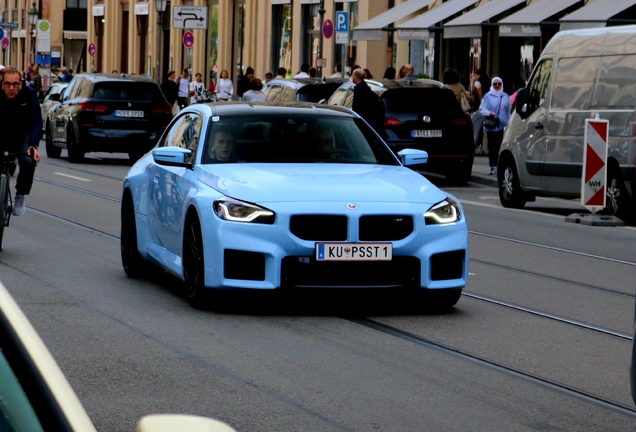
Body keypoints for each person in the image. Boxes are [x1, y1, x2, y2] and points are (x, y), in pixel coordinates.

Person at [0, 67, 42, 216]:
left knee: (28, 161)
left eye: (15, 84)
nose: (11, 88)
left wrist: (33, 145)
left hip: (21, 136)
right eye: (7, 84)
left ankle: (20, 195)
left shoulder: (29, 94)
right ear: (2, 84)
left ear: (21, 83)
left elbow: (36, 121)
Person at [479, 77, 511, 175]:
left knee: (502, 147)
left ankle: (501, 167)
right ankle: (492, 167)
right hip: (492, 126)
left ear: (502, 85)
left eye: (499, 84)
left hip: (503, 125)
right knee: (492, 147)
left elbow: (508, 111)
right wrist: (490, 113)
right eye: (495, 84)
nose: (497, 86)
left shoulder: (505, 96)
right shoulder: (487, 96)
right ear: (492, 85)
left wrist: (510, 123)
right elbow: (482, 109)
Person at [471, 68, 491, 154]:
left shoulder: (478, 81)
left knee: (474, 125)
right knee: (485, 128)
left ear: (478, 75)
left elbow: (478, 88)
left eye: (474, 75)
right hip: (489, 107)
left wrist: (481, 101)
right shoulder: (489, 81)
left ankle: (472, 145)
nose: (473, 77)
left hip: (481, 108)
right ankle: (485, 148)